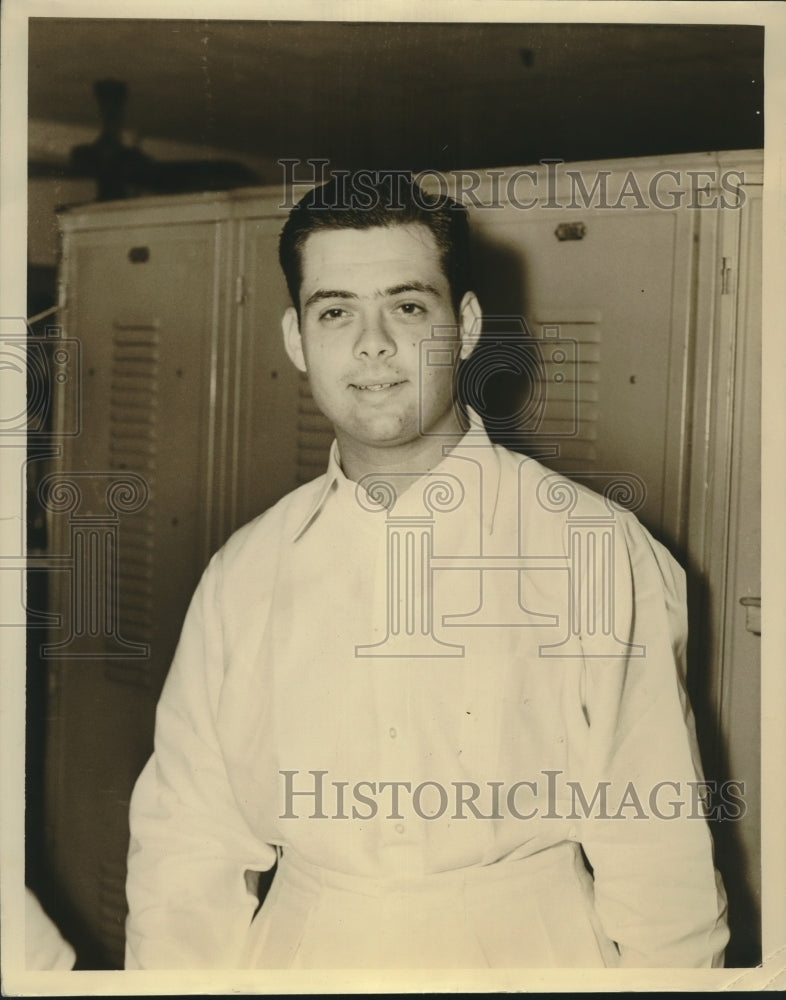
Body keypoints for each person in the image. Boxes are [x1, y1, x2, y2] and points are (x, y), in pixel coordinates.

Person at [125, 172, 729, 969]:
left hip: (533, 957)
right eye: (335, 311)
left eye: (407, 307)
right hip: (300, 958)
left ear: (466, 326)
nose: (371, 344)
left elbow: (663, 868)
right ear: (296, 341)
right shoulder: (245, 572)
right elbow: (185, 852)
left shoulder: (595, 550)